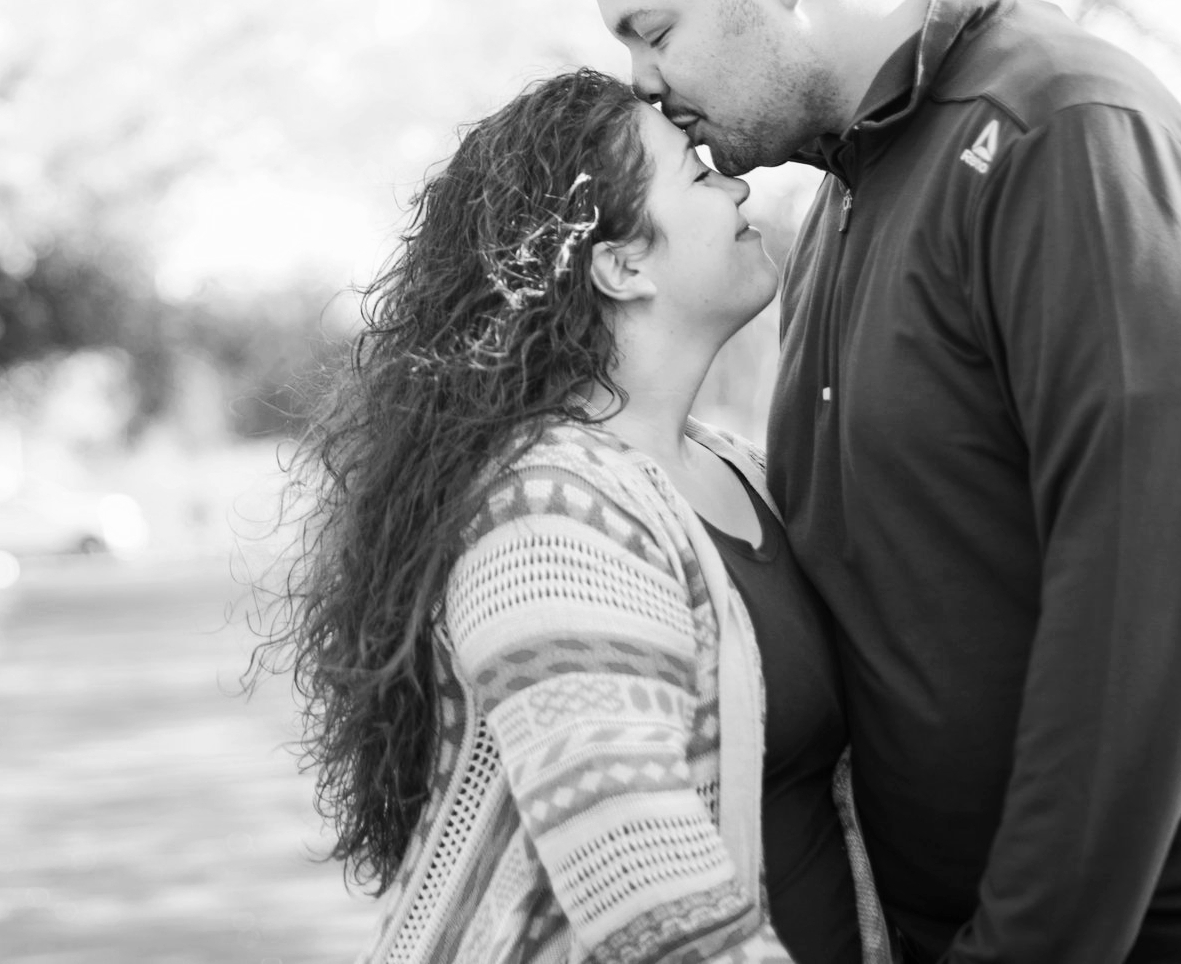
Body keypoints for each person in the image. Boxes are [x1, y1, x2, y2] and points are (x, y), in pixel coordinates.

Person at [587, 0, 1181, 964]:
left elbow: (1133, 626)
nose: (642, 82)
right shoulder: (840, 204)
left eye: (653, 29)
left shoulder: (1062, 136)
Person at [278, 68, 892, 964]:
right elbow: (642, 885)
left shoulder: (738, 471)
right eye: (697, 171)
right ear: (621, 262)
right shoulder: (547, 517)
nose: (739, 182)